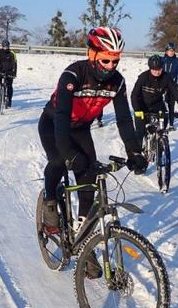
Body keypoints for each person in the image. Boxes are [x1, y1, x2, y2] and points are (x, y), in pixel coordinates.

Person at [38, 27, 148, 275]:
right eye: (105, 59)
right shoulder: (72, 75)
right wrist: (69, 154)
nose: (110, 66)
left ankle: (85, 243)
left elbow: (123, 120)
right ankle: (50, 201)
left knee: (89, 181)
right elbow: (63, 116)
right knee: (58, 160)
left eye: (115, 60)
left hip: (81, 128)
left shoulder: (117, 82)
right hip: (54, 122)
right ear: (91, 53)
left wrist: (135, 152)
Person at [131, 54, 178, 146]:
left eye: (159, 69)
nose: (157, 72)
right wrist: (137, 109)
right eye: (154, 70)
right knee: (140, 132)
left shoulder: (166, 77)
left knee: (163, 125)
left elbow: (175, 92)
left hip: (157, 105)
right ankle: (137, 154)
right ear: (150, 68)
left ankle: (159, 143)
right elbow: (134, 94)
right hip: (142, 105)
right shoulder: (143, 77)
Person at [0, 40, 17, 107]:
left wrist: (14, 73)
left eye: (7, 46)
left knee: (9, 86)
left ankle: (9, 99)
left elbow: (15, 63)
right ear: (2, 46)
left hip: (9, 71)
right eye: (4, 46)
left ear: (9, 46)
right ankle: (0, 92)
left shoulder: (12, 53)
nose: (5, 48)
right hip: (0, 70)